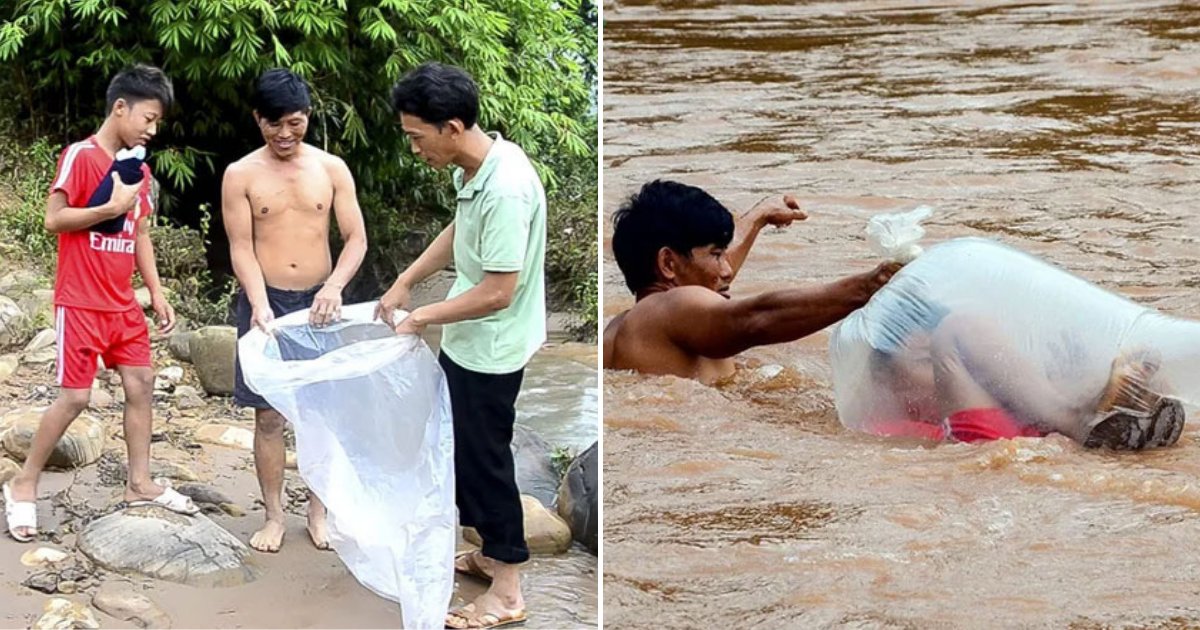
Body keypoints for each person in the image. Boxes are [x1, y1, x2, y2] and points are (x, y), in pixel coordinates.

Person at [377, 62, 544, 630]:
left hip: (492, 346)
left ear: (451, 126)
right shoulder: (475, 169)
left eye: (416, 138)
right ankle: (493, 552)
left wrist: (421, 314)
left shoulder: (506, 187)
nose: (415, 149)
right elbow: (458, 231)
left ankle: (508, 589)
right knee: (461, 452)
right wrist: (406, 279)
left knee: (484, 462)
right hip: (471, 339)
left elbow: (499, 292)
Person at [4, 64, 199, 542]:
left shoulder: (140, 168)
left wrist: (155, 291)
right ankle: (23, 484)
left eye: (157, 123)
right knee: (74, 397)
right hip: (81, 302)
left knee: (142, 383)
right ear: (120, 108)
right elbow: (55, 220)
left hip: (122, 305)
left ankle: (140, 483)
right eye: (148, 119)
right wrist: (108, 209)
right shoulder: (81, 156)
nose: (152, 130)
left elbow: (141, 233)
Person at [222, 68, 368, 553]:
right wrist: (259, 302)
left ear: (307, 117)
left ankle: (318, 511)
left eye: (295, 123)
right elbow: (241, 247)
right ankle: (274, 515)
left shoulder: (331, 169)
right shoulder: (240, 174)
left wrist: (334, 286)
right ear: (257, 120)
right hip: (267, 301)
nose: (285, 135)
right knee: (268, 416)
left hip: (320, 304)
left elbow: (355, 239)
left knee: (322, 413)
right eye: (274, 125)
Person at [604, 179, 901, 384]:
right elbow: (756, 318)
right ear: (668, 263)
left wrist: (760, 216)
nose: (727, 271)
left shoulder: (623, 326)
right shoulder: (669, 308)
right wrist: (872, 284)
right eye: (716, 254)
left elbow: (708, 283)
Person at [866, 307, 1185, 449]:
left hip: (1047, 441)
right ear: (897, 390)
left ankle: (1112, 416)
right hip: (982, 444)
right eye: (928, 361)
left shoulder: (1021, 394)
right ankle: (1077, 420)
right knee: (957, 328)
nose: (941, 370)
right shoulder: (892, 431)